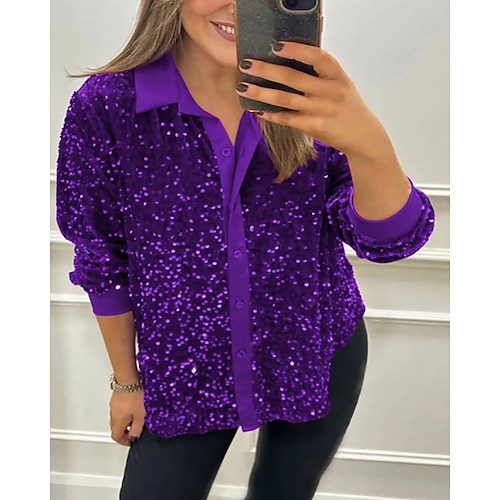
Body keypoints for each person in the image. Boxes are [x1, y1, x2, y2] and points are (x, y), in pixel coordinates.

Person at [55, 1, 435, 499]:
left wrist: (368, 142)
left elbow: (388, 240)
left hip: (315, 350)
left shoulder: (307, 98)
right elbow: (102, 258)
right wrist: (127, 382)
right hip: (185, 367)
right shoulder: (107, 107)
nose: (238, 4)